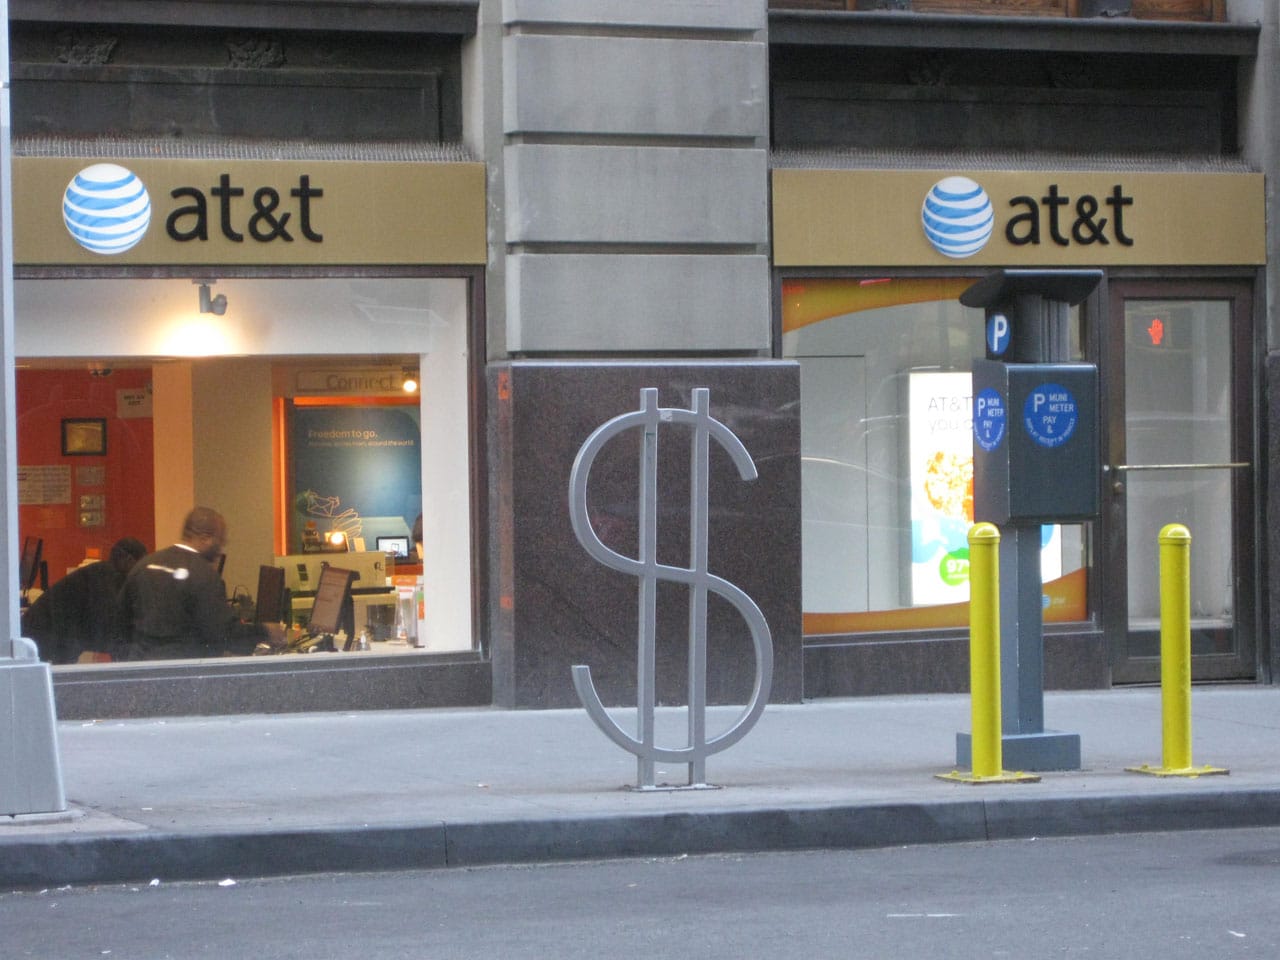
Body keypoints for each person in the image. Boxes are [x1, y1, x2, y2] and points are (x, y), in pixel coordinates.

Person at [116, 506, 284, 659]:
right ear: (205, 538)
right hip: (186, 673)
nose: (221, 547)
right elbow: (223, 634)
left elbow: (120, 622)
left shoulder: (145, 565)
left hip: (140, 670)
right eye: (220, 540)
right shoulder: (203, 575)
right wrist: (266, 631)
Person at [21, 536, 148, 664]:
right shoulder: (106, 580)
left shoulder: (101, 573)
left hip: (46, 636)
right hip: (44, 640)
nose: (141, 572)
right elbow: (106, 627)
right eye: (141, 565)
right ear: (129, 560)